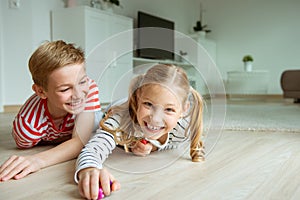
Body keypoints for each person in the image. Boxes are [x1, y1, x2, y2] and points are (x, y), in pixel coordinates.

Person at [74, 64, 205, 199]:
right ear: (137, 100)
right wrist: (89, 169)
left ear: (184, 110)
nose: (155, 118)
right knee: (92, 126)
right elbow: (94, 148)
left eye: (169, 109)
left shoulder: (183, 128)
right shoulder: (119, 120)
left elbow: (174, 142)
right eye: (148, 104)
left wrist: (154, 146)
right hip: (113, 111)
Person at [0, 40, 105, 182]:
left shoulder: (89, 88)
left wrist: (39, 160)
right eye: (65, 89)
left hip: (92, 118)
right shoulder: (28, 127)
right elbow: (78, 140)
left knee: (106, 119)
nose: (79, 94)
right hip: (67, 127)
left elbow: (81, 141)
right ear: (41, 91)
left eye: (82, 81)